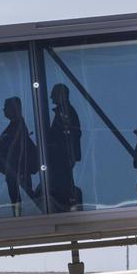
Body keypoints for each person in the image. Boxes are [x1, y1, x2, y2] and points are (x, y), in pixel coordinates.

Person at [0, 96, 39, 217]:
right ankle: (18, 215)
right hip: (17, 167)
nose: (3, 110)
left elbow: (8, 143)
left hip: (17, 167)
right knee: (17, 193)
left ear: (13, 109)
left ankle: (18, 216)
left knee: (18, 194)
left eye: (6, 107)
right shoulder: (17, 124)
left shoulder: (17, 125)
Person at [45, 83, 82, 212]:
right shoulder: (64, 111)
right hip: (63, 154)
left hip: (62, 155)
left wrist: (52, 145)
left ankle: (65, 203)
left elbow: (67, 134)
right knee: (63, 180)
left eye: (53, 94)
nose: (50, 98)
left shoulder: (65, 112)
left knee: (63, 181)